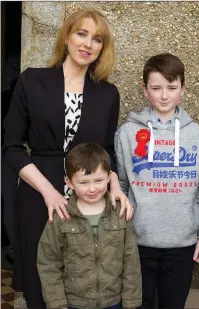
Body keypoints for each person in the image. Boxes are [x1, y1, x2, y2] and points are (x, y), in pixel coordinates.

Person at [2, 8, 133, 308]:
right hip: (38, 191)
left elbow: (107, 151)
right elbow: (10, 146)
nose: (88, 43)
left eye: (97, 38)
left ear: (103, 48)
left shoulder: (108, 94)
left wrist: (113, 183)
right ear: (66, 36)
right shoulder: (32, 80)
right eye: (81, 33)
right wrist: (48, 191)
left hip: (87, 194)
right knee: (40, 274)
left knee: (81, 274)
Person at [114, 53, 199, 309]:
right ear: (145, 90)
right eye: (156, 88)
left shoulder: (197, 135)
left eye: (172, 87)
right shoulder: (127, 133)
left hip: (182, 243)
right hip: (137, 241)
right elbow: (121, 185)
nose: (165, 95)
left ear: (183, 88)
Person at [37, 143, 142, 309]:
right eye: (84, 182)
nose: (92, 189)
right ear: (70, 182)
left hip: (113, 301)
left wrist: (131, 302)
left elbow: (131, 261)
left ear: (109, 177)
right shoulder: (61, 216)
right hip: (74, 303)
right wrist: (57, 303)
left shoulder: (120, 213)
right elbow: (48, 262)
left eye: (99, 180)